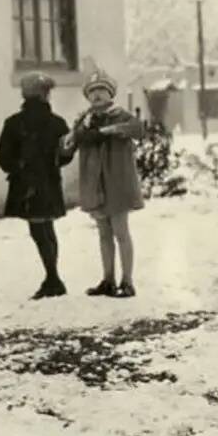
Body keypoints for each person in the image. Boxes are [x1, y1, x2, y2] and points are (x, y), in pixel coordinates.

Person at [64, 68, 144, 298]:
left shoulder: (121, 115)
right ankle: (107, 279)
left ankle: (127, 281)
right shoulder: (84, 120)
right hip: (94, 183)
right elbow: (70, 144)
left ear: (111, 94)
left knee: (121, 231)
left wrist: (110, 130)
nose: (97, 95)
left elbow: (138, 129)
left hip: (117, 180)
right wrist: (72, 138)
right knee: (103, 233)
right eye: (92, 91)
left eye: (102, 90)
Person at [0, 72, 75, 300]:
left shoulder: (13, 123)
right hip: (49, 181)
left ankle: (53, 279)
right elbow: (66, 154)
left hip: (26, 185)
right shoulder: (57, 123)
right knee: (47, 229)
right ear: (45, 94)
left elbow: (2, 156)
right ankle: (53, 277)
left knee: (38, 231)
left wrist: (18, 168)